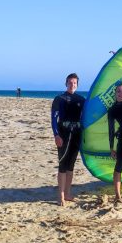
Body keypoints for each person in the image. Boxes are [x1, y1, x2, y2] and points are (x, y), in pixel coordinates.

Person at [50, 73, 85, 206]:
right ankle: (60, 196)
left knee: (71, 165)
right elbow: (53, 118)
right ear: (66, 83)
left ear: (77, 84)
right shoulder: (59, 99)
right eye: (70, 83)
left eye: (74, 83)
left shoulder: (81, 100)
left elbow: (88, 116)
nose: (72, 85)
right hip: (63, 134)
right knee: (62, 165)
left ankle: (68, 193)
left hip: (76, 134)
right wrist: (56, 135)